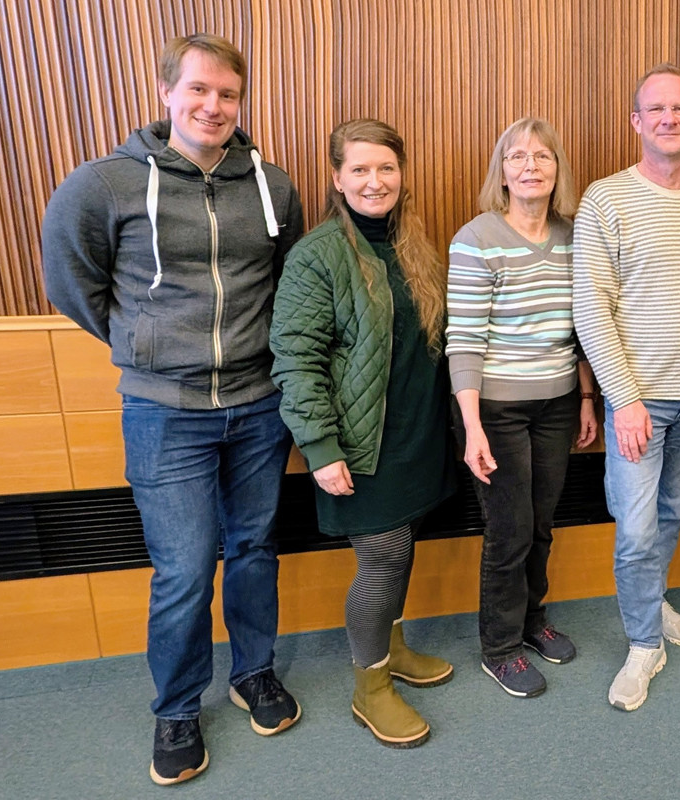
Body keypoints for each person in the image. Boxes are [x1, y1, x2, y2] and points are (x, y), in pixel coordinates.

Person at [41, 33, 303, 786]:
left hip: (259, 406)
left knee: (253, 551)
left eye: (228, 94)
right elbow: (73, 284)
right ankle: (177, 707)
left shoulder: (272, 185)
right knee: (184, 570)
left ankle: (254, 672)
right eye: (198, 90)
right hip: (164, 413)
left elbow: (287, 290)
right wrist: (142, 343)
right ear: (166, 92)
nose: (213, 106)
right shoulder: (104, 185)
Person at [270, 118, 456, 748]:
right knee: (382, 562)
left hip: (415, 436)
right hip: (359, 442)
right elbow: (295, 357)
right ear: (336, 178)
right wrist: (320, 450)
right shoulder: (317, 254)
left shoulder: (414, 244)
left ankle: (392, 649)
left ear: (402, 175)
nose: (375, 181)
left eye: (387, 168)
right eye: (360, 170)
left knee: (402, 548)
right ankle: (369, 688)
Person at [574, 63, 680, 711]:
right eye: (655, 109)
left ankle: (651, 599)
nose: (669, 118)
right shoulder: (604, 198)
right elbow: (592, 306)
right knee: (637, 529)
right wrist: (625, 398)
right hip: (636, 401)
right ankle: (644, 642)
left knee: (670, 516)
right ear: (637, 121)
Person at [447, 117, 598, 698]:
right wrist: (472, 426)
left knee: (541, 525)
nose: (530, 165)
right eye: (517, 156)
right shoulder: (478, 238)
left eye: (543, 155)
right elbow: (464, 340)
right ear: (501, 170)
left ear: (557, 168)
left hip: (558, 403)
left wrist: (586, 395)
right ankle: (500, 646)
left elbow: (582, 327)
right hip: (498, 410)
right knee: (508, 532)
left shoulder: (574, 235)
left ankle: (533, 622)